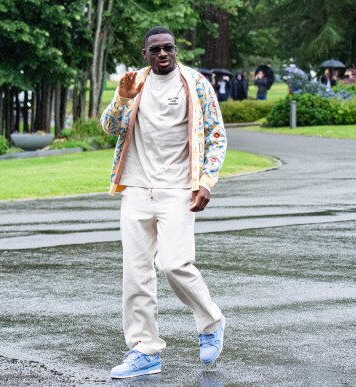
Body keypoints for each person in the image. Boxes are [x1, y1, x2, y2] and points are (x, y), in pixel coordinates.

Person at [100, 26, 226, 379]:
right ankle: (145, 351)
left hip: (178, 189)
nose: (163, 54)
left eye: (168, 48)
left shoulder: (195, 83)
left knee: (173, 265)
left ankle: (211, 321)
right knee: (136, 274)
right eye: (155, 50)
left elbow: (216, 136)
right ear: (145, 54)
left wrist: (206, 181)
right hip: (136, 190)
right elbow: (109, 127)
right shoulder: (133, 83)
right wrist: (121, 98)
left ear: (175, 50)